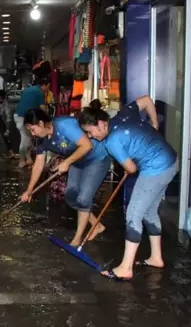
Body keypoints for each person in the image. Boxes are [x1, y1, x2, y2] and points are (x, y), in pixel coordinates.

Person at [78, 97, 175, 281]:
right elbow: (146, 100)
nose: (91, 136)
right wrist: (154, 124)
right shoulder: (124, 114)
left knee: (133, 215)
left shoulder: (112, 142)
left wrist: (129, 162)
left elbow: (131, 169)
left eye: (90, 132)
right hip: (170, 161)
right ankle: (156, 257)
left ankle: (126, 268)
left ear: (100, 124)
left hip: (156, 168)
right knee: (148, 212)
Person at [21, 108, 112, 246]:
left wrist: (67, 162)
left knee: (83, 198)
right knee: (71, 197)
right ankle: (97, 225)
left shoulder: (64, 124)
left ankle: (77, 238)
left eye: (32, 129)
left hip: (96, 158)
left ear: (40, 123)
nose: (32, 133)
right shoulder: (42, 140)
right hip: (77, 160)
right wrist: (29, 190)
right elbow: (38, 165)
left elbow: (86, 145)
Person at [14, 79, 50, 167]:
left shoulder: (28, 89)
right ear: (44, 85)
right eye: (48, 86)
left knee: (29, 138)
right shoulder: (40, 92)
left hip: (18, 115)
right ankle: (22, 161)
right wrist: (48, 118)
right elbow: (43, 108)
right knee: (25, 139)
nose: (48, 89)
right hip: (25, 118)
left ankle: (28, 159)